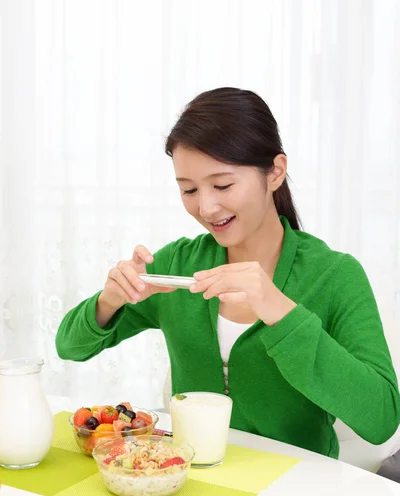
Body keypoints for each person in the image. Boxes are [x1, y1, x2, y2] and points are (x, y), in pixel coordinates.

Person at [56, 87, 400, 458]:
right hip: (192, 482)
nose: (206, 207)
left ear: (275, 173)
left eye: (222, 185)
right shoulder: (177, 265)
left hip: (298, 489)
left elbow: (380, 420)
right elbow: (70, 347)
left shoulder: (334, 275)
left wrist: (279, 311)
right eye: (188, 190)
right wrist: (110, 300)